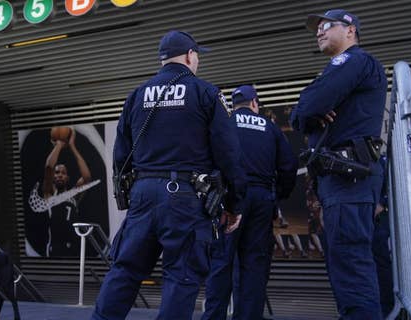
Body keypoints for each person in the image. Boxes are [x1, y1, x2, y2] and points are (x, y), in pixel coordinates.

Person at [91, 30, 245, 320]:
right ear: (189, 55)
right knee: (181, 277)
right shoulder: (206, 93)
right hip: (186, 199)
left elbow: (120, 156)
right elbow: (229, 155)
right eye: (197, 55)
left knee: (125, 270)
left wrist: (128, 195)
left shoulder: (136, 95)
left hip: (143, 195)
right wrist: (234, 205)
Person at [290, 9, 387, 319]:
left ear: (350, 31)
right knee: (344, 266)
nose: (319, 31)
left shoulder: (354, 61)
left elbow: (309, 106)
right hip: (339, 181)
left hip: (350, 179)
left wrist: (310, 109)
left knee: (351, 269)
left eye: (327, 26)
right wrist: (308, 111)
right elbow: (300, 116)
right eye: (316, 28)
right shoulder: (338, 71)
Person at [203, 85, 297, 320]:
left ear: (234, 105)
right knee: (254, 264)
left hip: (229, 198)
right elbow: (289, 167)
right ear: (255, 103)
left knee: (221, 262)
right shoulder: (271, 128)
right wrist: (278, 196)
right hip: (262, 199)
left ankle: (214, 316)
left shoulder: (224, 124)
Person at [40, 128, 92, 257]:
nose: (59, 175)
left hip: (73, 248)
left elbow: (87, 177)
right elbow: (49, 167)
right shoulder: (49, 194)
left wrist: (72, 146)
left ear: (67, 178)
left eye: (63, 173)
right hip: (54, 250)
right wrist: (58, 145)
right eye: (57, 173)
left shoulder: (74, 195)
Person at [372, 154, 394, 317]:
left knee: (381, 265)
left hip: (378, 221)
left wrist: (381, 203)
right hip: (366, 221)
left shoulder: (381, 160)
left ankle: (386, 308)